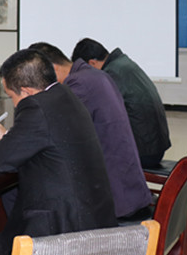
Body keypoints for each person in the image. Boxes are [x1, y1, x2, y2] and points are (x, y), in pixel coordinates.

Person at [0, 49, 117, 255]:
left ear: (26, 91)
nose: (14, 104)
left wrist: (5, 142)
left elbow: (0, 160)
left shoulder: (36, 107)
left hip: (60, 222)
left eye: (12, 96)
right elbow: (48, 140)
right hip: (93, 213)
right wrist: (10, 137)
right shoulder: (65, 95)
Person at [29, 42, 153, 220]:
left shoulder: (77, 84)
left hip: (116, 199)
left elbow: (54, 131)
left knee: (35, 188)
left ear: (53, 69)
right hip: (129, 187)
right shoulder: (93, 75)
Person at [71, 38, 171, 168]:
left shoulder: (110, 74)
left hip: (144, 153)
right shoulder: (122, 64)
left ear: (92, 63)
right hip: (153, 146)